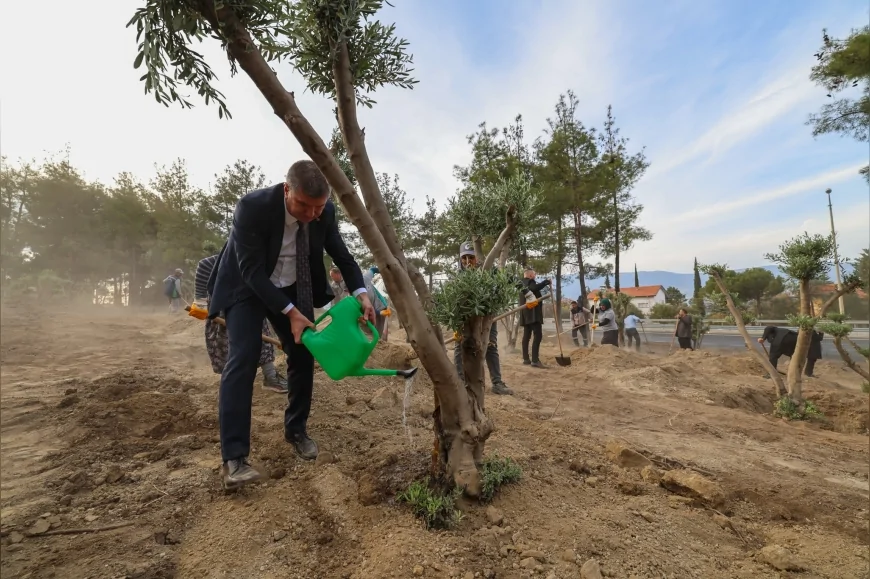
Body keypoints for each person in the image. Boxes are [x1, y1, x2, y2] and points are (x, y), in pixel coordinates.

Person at [206, 160, 373, 489]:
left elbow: (342, 254)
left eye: (319, 208)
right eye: (304, 206)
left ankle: (296, 430)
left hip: (293, 286)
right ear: (287, 191)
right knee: (244, 356)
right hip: (247, 286)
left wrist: (362, 293)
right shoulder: (252, 208)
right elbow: (252, 272)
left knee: (302, 354)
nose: (312, 215)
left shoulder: (322, 212)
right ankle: (234, 459)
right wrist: (290, 312)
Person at [195, 254, 287, 393]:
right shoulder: (216, 260)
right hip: (221, 307)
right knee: (224, 346)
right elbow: (203, 277)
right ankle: (231, 385)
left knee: (261, 341)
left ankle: (271, 377)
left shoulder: (257, 260)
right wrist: (199, 303)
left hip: (249, 302)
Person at [453, 241, 513, 395]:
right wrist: (456, 326)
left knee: (491, 346)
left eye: (470, 258)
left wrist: (528, 293)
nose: (467, 262)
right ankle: (460, 381)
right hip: (465, 317)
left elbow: (508, 280)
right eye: (464, 258)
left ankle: (497, 383)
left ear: (477, 258)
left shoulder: (489, 271)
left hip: (486, 317)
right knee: (460, 347)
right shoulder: (458, 276)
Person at [757, 325, 822, 376]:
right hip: (793, 339)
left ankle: (771, 374)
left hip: (781, 340)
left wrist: (763, 338)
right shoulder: (781, 331)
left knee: (773, 357)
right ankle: (794, 373)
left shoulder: (774, 330)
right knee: (793, 356)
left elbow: (768, 327)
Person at [519, 269, 551, 368]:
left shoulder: (521, 283)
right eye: (534, 274)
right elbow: (534, 288)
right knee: (538, 335)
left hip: (525, 314)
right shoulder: (530, 282)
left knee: (526, 336)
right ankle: (535, 360)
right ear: (530, 275)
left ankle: (526, 359)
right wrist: (546, 282)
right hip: (533, 313)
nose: (535, 276)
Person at [363, 266, 389, 339]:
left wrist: (384, 272)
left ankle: (382, 343)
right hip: (369, 313)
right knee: (368, 332)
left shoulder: (364, 278)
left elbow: (373, 269)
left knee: (379, 333)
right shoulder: (353, 297)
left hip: (381, 306)